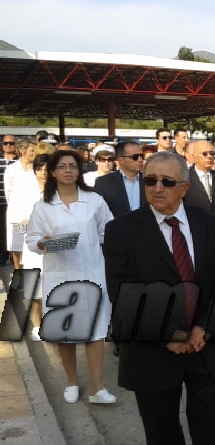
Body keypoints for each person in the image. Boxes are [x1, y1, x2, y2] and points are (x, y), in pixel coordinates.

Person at [103, 152, 215, 445]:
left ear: (184, 187)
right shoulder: (121, 230)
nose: (157, 188)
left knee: (210, 427)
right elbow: (123, 293)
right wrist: (167, 335)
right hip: (152, 351)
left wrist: (204, 327)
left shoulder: (210, 223)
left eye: (167, 181)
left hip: (205, 345)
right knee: (161, 432)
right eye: (150, 180)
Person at [26, 150, 116, 405]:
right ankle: (72, 380)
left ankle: (97, 387)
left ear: (79, 171)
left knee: (95, 331)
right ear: (53, 172)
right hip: (60, 275)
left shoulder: (94, 200)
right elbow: (32, 240)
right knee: (65, 332)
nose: (68, 170)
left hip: (92, 271)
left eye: (73, 166)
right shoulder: (42, 206)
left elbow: (109, 230)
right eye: (62, 166)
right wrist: (44, 243)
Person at [20, 154, 49, 342]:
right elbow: (19, 216)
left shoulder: (59, 191)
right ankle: (37, 324)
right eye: (40, 169)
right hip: (33, 245)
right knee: (36, 287)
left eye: (47, 169)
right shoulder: (26, 190)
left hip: (54, 245)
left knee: (54, 286)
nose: (43, 173)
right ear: (35, 171)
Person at [94, 141, 146, 218]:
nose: (140, 160)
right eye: (135, 157)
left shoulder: (150, 180)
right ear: (121, 160)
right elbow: (98, 212)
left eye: (142, 156)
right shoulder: (104, 182)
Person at [5, 139, 36, 269]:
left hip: (34, 213)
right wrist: (18, 211)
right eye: (32, 150)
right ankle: (18, 273)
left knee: (33, 244)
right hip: (17, 214)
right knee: (17, 245)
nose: (34, 153)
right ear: (22, 151)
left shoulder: (37, 169)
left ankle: (32, 273)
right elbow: (8, 193)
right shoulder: (11, 169)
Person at [183, 141, 215, 214]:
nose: (209, 156)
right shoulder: (185, 178)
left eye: (212, 153)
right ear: (194, 157)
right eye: (205, 154)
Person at [0, 134, 18, 267]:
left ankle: (12, 255)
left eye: (11, 143)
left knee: (11, 230)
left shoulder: (19, 162)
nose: (8, 145)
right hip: (0, 201)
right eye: (5, 143)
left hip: (13, 203)